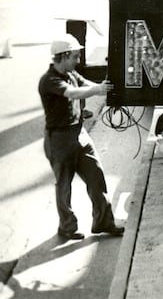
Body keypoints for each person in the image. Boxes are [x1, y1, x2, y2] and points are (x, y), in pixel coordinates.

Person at [38, 35, 124, 240]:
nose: (78, 60)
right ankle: (67, 227)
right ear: (64, 55)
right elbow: (74, 93)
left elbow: (87, 85)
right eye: (75, 56)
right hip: (59, 139)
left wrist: (105, 86)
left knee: (96, 176)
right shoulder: (50, 80)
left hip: (79, 134)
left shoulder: (71, 73)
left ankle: (103, 222)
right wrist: (98, 89)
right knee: (64, 185)